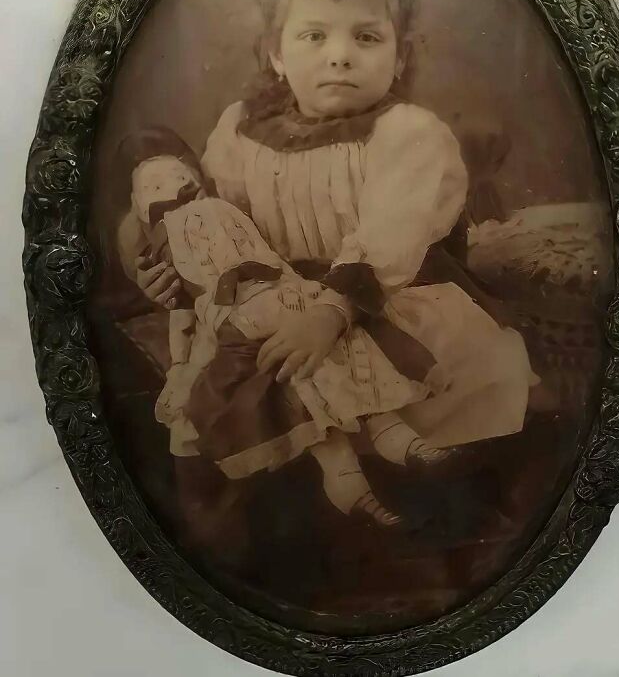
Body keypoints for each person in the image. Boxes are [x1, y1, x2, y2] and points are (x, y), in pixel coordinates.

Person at [124, 0, 539, 528]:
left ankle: (414, 491)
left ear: (399, 57)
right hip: (273, 298)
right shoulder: (241, 129)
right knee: (238, 363)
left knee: (423, 371)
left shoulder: (410, 134)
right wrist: (169, 273)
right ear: (276, 52)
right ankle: (301, 498)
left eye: (366, 37)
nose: (339, 55)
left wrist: (327, 314)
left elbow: (392, 235)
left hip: (378, 298)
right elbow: (216, 227)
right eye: (314, 35)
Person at [121, 130, 453, 526]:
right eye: (157, 187)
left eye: (178, 180)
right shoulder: (228, 151)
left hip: (348, 282)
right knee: (276, 362)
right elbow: (139, 228)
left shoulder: (397, 133)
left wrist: (332, 307)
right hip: (245, 306)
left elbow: (389, 239)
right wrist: (153, 274)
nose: (174, 189)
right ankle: (348, 480)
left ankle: (393, 437)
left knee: (325, 341)